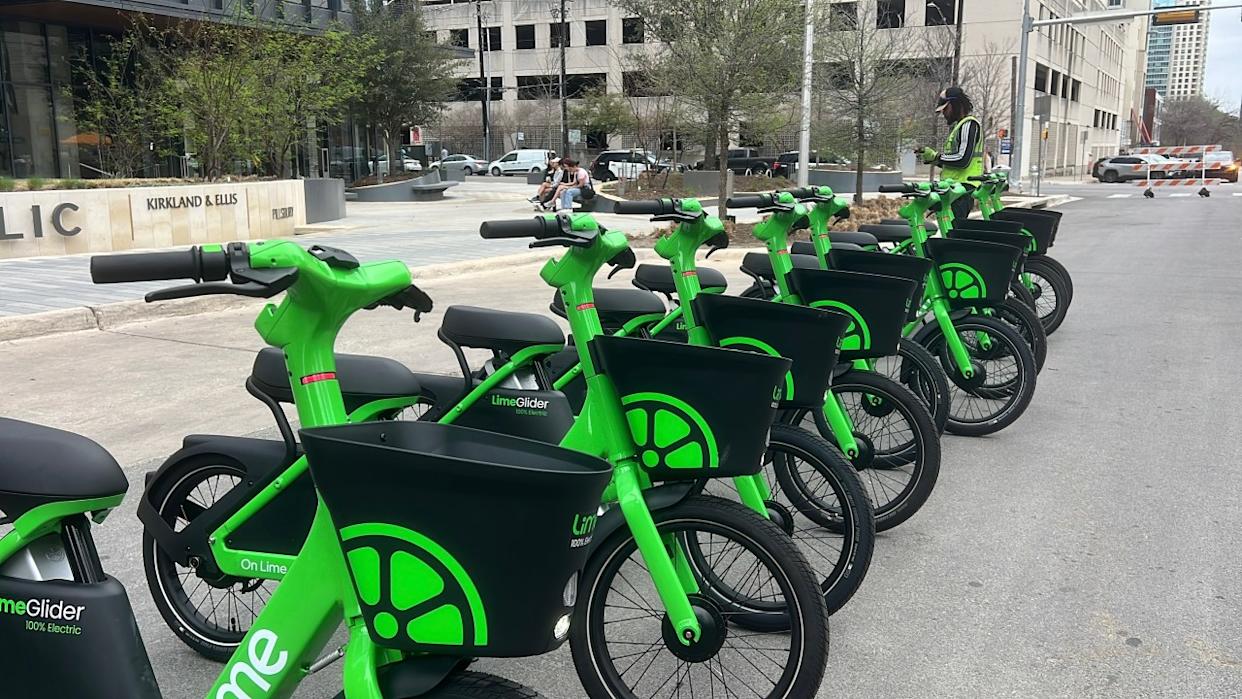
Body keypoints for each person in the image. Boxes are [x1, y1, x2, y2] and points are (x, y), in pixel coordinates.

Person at [921, 86, 983, 222]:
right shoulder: (959, 127)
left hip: (962, 190)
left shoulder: (968, 125)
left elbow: (962, 160)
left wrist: (937, 157)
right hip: (955, 189)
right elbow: (953, 164)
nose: (943, 113)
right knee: (949, 233)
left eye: (945, 109)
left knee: (954, 234)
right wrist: (934, 160)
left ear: (956, 105)